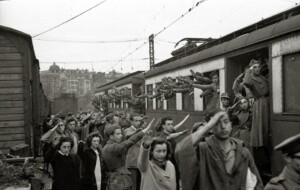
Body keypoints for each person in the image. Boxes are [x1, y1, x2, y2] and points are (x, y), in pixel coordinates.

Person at [175, 109, 263, 190]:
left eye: (226, 121)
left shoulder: (243, 152)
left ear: (231, 125)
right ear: (211, 128)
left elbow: (257, 185)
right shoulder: (204, 150)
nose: (223, 126)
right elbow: (181, 149)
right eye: (217, 123)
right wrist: (207, 126)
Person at [102, 119, 155, 190]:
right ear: (111, 136)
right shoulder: (111, 147)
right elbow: (128, 143)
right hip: (119, 181)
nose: (121, 135)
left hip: (117, 179)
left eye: (121, 133)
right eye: (118, 134)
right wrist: (143, 131)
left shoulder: (108, 146)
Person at [124, 113, 143, 190]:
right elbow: (129, 136)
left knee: (141, 185)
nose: (138, 122)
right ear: (131, 122)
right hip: (132, 162)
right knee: (133, 185)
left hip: (141, 162)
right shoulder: (127, 130)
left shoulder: (142, 131)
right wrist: (139, 132)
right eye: (136, 121)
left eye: (139, 121)